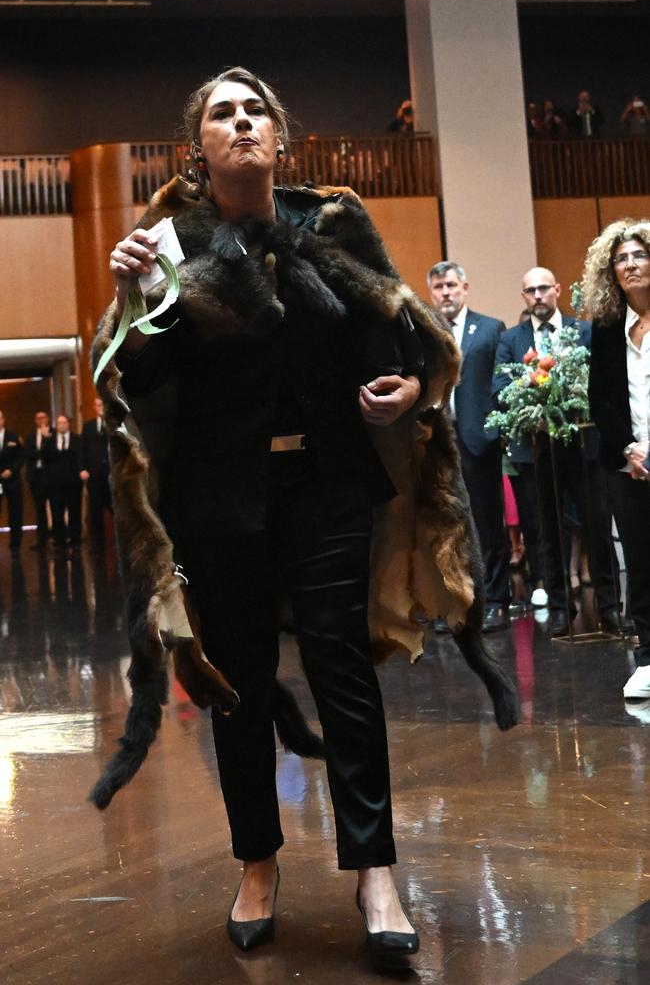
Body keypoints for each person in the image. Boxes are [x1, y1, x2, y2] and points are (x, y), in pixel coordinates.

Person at [91, 66, 516, 960]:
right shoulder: (169, 241)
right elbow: (143, 379)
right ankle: (257, 860)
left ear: (281, 139)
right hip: (221, 499)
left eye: (255, 112)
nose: (240, 123)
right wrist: (135, 300)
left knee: (343, 677)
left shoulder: (334, 224)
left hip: (328, 487)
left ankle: (376, 872)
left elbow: (395, 343)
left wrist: (406, 393)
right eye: (222, 114)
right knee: (238, 684)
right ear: (198, 147)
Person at [493, 267, 618, 637]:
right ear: (523, 297)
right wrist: (529, 394)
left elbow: (604, 381)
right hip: (537, 451)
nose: (537, 296)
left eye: (543, 288)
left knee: (596, 523)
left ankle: (610, 605)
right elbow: (499, 388)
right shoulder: (512, 340)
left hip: (584, 447)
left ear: (558, 289)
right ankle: (561, 606)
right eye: (530, 290)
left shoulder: (584, 332)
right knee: (546, 530)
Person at [584, 220, 650, 698]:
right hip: (629, 463)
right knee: (641, 562)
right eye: (621, 259)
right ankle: (647, 657)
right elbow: (600, 398)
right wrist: (631, 446)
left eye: (639, 255)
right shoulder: (607, 329)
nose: (630, 264)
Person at [427, 261, 510, 631]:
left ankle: (497, 599)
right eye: (439, 287)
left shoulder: (490, 329)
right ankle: (459, 603)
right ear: (431, 292)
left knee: (489, 524)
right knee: (450, 526)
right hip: (439, 443)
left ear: (465, 288)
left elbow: (500, 385)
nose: (445, 292)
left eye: (451, 285)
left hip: (479, 442)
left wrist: (494, 433)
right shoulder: (424, 331)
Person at [44, 414, 84, 552]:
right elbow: (45, 460)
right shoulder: (49, 441)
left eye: (64, 422)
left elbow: (81, 458)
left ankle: (75, 538)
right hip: (55, 484)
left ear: (68, 424)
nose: (61, 425)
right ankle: (59, 539)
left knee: (74, 511)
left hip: (73, 483)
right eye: (59, 423)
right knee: (56, 511)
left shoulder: (77, 439)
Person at [81, 397, 112, 548]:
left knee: (115, 510)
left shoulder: (114, 425)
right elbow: (83, 450)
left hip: (112, 475)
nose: (101, 407)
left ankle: (122, 543)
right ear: (94, 407)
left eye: (103, 405)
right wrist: (83, 469)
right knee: (95, 511)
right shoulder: (88, 427)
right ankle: (97, 544)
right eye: (98, 405)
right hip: (94, 475)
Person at [24, 410, 51, 550]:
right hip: (36, 477)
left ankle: (58, 539)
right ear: (35, 421)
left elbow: (52, 452)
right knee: (39, 510)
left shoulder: (52, 434)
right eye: (38, 418)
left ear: (48, 419)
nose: (41, 420)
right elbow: (28, 454)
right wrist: (41, 452)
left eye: (43, 418)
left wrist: (46, 440)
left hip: (51, 477)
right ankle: (41, 540)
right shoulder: (30, 437)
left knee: (56, 508)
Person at [0, 409, 24, 553]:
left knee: (15, 512)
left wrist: (12, 470)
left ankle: (15, 544)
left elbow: (21, 456)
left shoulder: (13, 436)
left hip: (12, 481)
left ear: (4, 419)